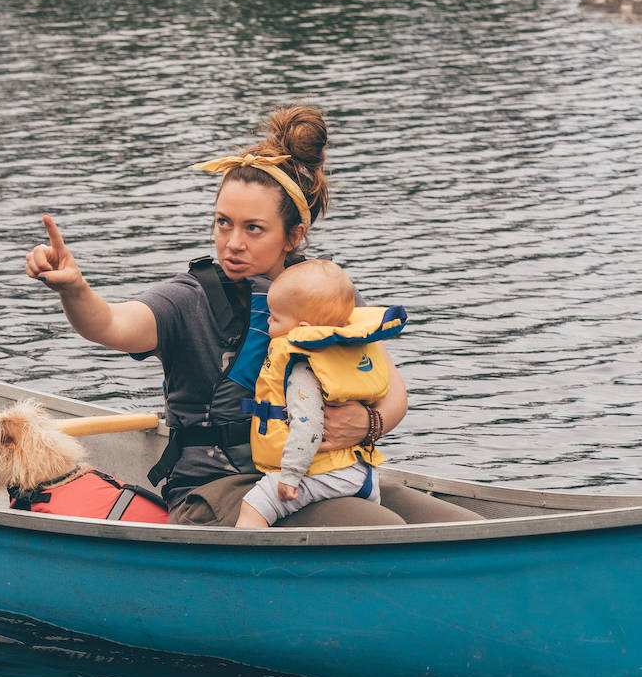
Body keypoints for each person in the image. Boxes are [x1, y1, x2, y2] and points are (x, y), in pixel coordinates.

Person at [24, 103, 474, 527]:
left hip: (320, 476)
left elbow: (392, 393)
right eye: (224, 223)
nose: (233, 242)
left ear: (293, 236)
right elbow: (109, 326)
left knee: (465, 528)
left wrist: (369, 424)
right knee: (383, 529)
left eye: (253, 228)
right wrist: (75, 290)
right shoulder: (187, 300)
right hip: (217, 489)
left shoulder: (320, 297)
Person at [233, 259, 403, 530]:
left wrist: (290, 475)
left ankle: (243, 565)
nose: (267, 321)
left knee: (255, 504)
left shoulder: (302, 368)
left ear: (301, 326)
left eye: (275, 318)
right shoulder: (346, 351)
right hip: (361, 470)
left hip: (323, 473)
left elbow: (307, 425)